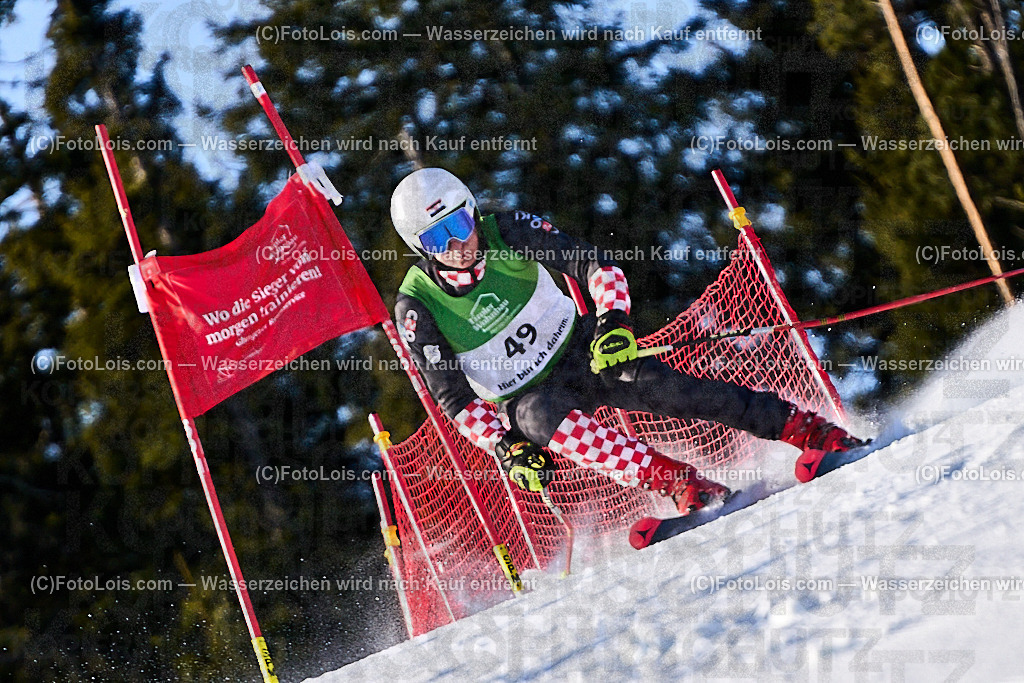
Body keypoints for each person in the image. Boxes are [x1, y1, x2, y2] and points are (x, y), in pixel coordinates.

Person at [390, 168, 865, 515]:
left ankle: (810, 430)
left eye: (459, 225)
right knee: (537, 417)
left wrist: (611, 323)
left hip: (582, 350)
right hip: (527, 395)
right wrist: (504, 447)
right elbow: (453, 397)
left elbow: (598, 267)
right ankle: (683, 485)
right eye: (438, 239)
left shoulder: (507, 231)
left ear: (472, 213)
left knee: (673, 389)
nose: (458, 245)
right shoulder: (418, 306)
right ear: (420, 248)